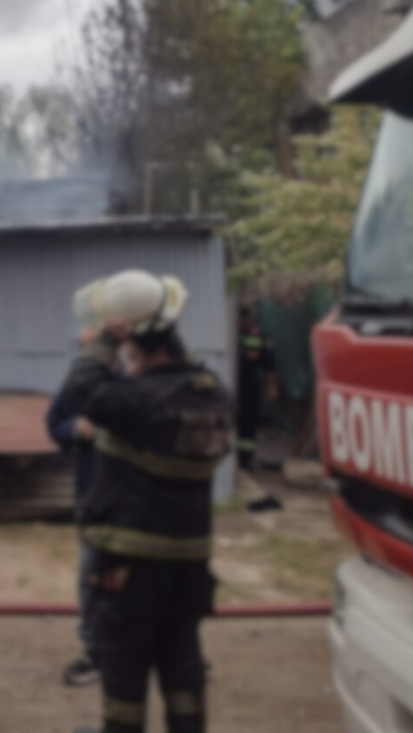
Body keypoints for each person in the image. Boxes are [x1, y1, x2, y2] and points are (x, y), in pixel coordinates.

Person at [61, 272, 234, 733]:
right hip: (188, 571)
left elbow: (84, 390)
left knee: (124, 688)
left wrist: (100, 344)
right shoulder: (211, 393)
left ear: (131, 342)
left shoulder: (135, 401)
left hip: (129, 575)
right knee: (183, 670)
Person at [47, 385, 102, 686]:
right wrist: (76, 429)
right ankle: (97, 655)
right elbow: (56, 425)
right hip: (95, 505)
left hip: (140, 506)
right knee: (93, 579)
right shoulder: (81, 385)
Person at [235, 301, 279, 471]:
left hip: (248, 386)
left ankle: (245, 460)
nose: (240, 321)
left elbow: (269, 364)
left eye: (242, 318)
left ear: (246, 318)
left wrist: (272, 387)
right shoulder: (228, 331)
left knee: (247, 423)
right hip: (231, 384)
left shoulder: (256, 334)